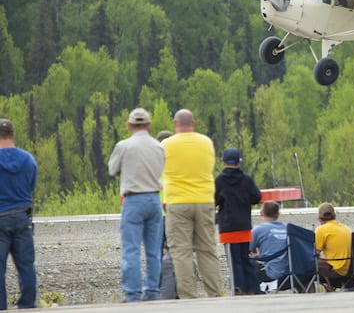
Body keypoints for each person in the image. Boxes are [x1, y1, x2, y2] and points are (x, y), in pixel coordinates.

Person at [161, 109, 221, 298]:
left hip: (177, 202)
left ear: (174, 124)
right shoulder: (206, 142)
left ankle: (189, 297)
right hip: (204, 200)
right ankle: (214, 293)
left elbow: (158, 169)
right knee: (207, 249)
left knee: (181, 251)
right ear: (193, 124)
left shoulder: (166, 145)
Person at [108, 108, 165, 302]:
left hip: (133, 199)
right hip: (154, 198)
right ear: (149, 125)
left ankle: (132, 293)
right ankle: (152, 291)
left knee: (131, 250)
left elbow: (112, 169)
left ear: (129, 125)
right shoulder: (158, 147)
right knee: (153, 250)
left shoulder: (123, 146)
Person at [0, 119, 37, 310]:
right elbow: (31, 186)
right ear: (13, 135)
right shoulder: (27, 159)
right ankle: (28, 304)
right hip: (23, 217)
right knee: (26, 266)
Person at [214, 148, 262, 295]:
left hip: (228, 227)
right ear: (239, 162)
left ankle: (238, 288)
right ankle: (253, 289)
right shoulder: (246, 179)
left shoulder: (220, 180)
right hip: (244, 225)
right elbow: (256, 197)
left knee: (234, 261)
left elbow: (214, 200)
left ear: (223, 162)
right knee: (245, 259)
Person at [250, 201, 289, 285]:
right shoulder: (288, 228)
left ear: (261, 213)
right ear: (278, 214)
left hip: (270, 274)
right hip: (290, 272)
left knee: (243, 261)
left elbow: (246, 250)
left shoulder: (258, 230)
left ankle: (251, 291)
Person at [315, 202, 352, 289]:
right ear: (335, 216)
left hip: (336, 272)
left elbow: (315, 252)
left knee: (308, 264)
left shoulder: (321, 230)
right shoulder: (346, 228)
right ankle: (329, 287)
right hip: (350, 270)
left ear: (319, 218)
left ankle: (313, 292)